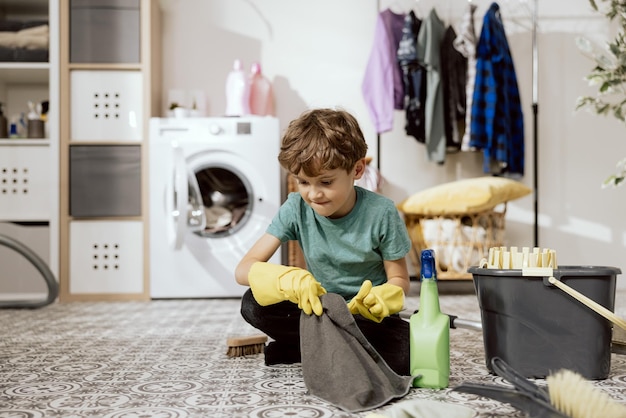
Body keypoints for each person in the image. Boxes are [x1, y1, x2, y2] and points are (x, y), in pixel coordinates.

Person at [234, 108, 412, 375]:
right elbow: (243, 269)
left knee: (405, 354)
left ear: (357, 169)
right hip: (318, 309)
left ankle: (306, 347)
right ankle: (331, 347)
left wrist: (384, 296)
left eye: (326, 182)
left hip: (366, 316)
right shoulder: (296, 207)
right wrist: (284, 280)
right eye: (303, 181)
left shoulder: (382, 212)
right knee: (253, 304)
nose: (313, 194)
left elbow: (399, 280)